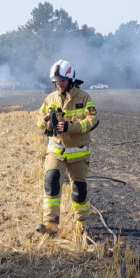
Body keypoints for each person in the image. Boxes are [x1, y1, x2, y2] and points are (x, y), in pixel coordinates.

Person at [35, 60, 99, 235]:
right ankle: (50, 224)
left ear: (70, 79)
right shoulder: (50, 99)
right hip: (56, 151)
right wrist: (45, 120)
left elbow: (92, 120)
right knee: (51, 182)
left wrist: (71, 126)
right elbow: (39, 121)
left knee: (79, 190)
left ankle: (81, 222)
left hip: (78, 153)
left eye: (62, 80)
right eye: (56, 81)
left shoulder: (84, 97)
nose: (59, 84)